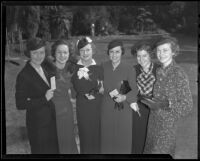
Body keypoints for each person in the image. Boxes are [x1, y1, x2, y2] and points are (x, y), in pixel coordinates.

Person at [141, 36, 193, 158]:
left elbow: (187, 105)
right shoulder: (159, 71)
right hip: (153, 124)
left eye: (165, 50)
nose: (161, 54)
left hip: (166, 129)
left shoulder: (178, 73)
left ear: (173, 52)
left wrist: (166, 104)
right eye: (159, 50)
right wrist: (149, 99)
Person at [15, 37, 59, 154]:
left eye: (42, 52)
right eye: (35, 53)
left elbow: (53, 80)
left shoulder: (45, 67)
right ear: (29, 54)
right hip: (38, 127)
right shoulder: (24, 75)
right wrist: (44, 98)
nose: (39, 56)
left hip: (52, 122)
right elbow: (20, 104)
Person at [100, 39, 138, 154]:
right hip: (106, 108)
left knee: (122, 141)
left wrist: (125, 97)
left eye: (117, 52)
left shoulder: (129, 68)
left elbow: (134, 90)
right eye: (111, 52)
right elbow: (99, 85)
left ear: (122, 52)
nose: (114, 55)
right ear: (108, 53)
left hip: (123, 109)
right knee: (107, 140)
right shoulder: (103, 66)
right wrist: (99, 89)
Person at [71, 36, 103, 154]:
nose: (85, 53)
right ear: (78, 52)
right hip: (83, 108)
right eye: (82, 50)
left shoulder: (99, 68)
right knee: (85, 137)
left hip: (97, 108)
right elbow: (72, 90)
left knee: (97, 137)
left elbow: (102, 88)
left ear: (92, 50)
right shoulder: (74, 69)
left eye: (87, 50)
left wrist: (100, 90)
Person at [48, 39, 78, 154]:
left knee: (67, 140)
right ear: (54, 54)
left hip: (66, 110)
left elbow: (77, 92)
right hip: (51, 111)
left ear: (69, 54)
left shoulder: (72, 70)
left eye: (65, 52)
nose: (62, 55)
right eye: (59, 52)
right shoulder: (47, 70)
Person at [130, 42, 161, 154]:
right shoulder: (133, 70)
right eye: (138, 56)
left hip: (154, 111)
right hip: (138, 111)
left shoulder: (159, 70)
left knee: (153, 142)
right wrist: (133, 91)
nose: (141, 59)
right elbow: (124, 90)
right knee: (137, 141)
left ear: (150, 55)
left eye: (144, 56)